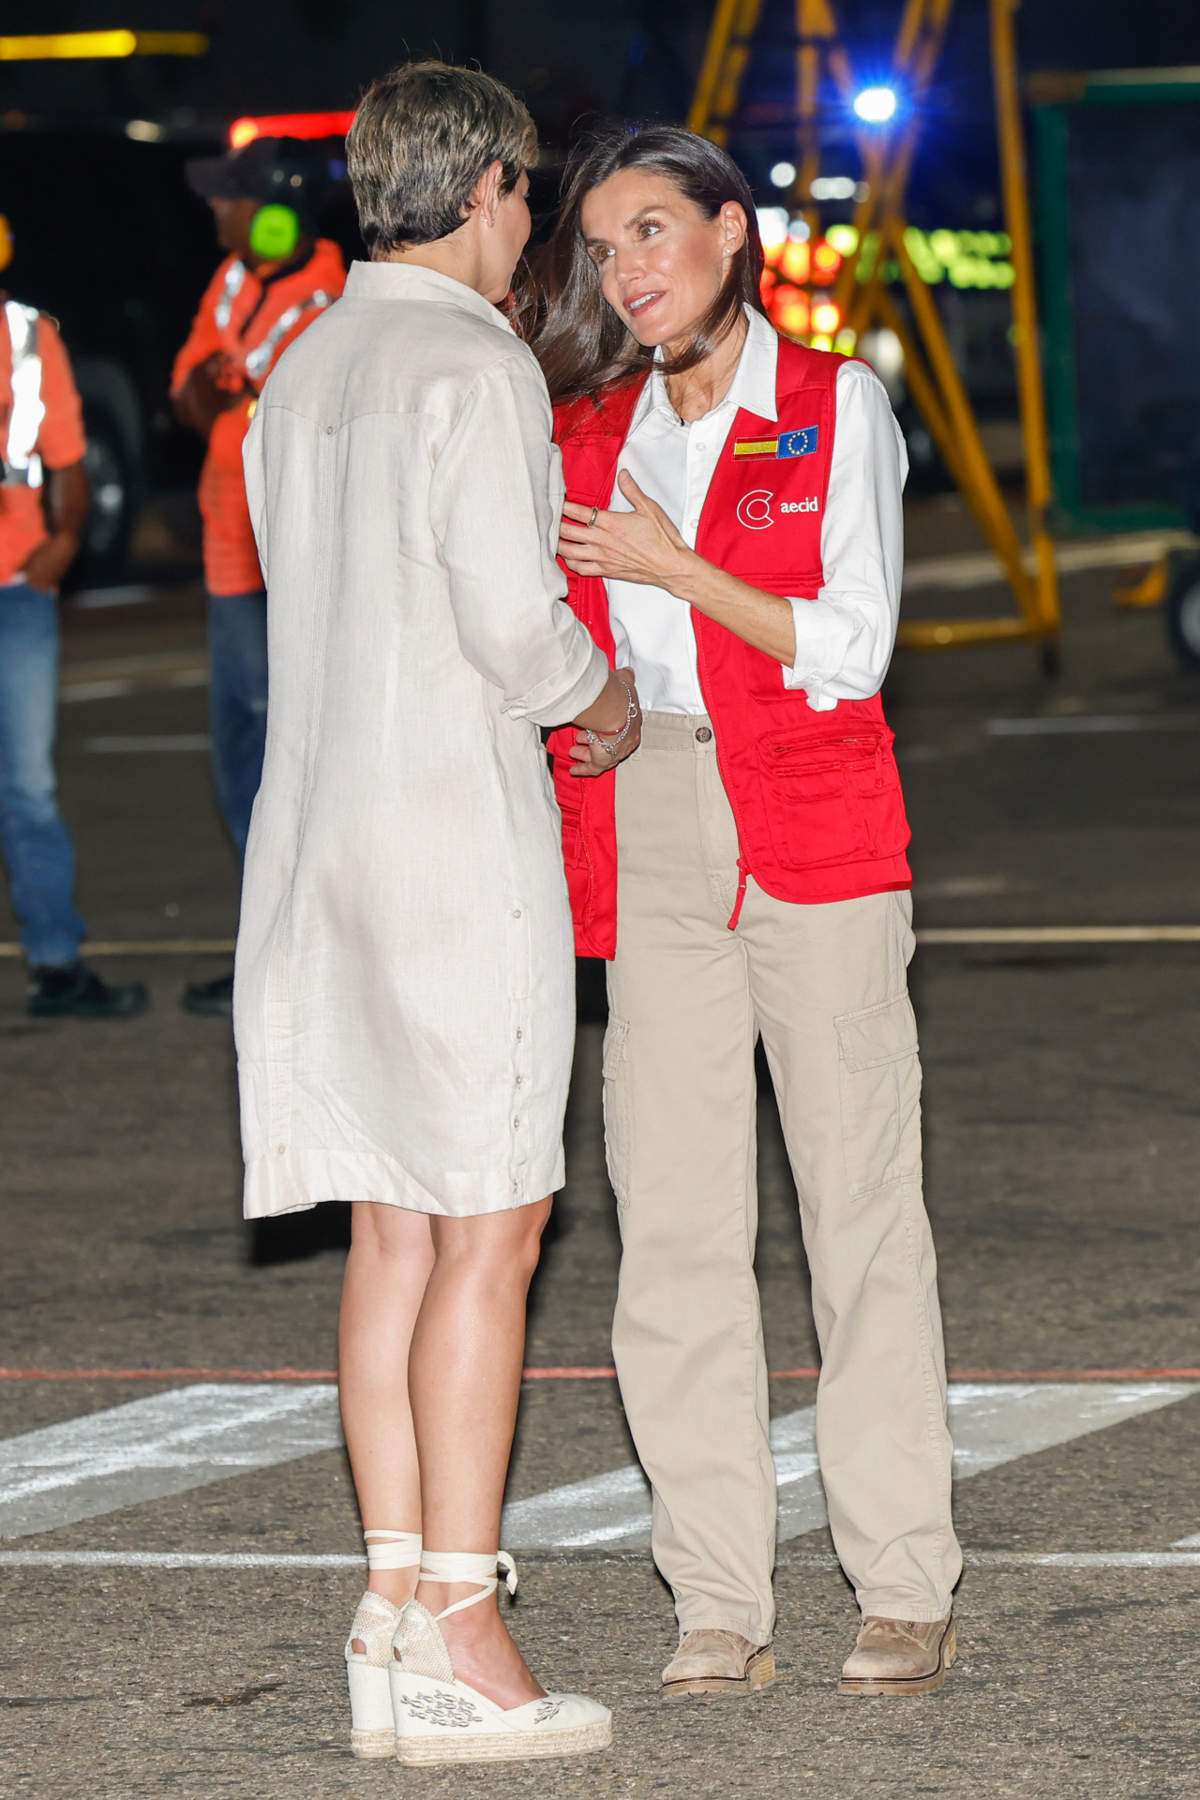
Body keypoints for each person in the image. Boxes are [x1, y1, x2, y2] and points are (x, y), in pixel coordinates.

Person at [235, 63, 639, 1765]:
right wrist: (597, 696)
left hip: (313, 839)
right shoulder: (471, 365)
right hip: (449, 843)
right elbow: (507, 610)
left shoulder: (303, 364)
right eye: (530, 194)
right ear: (485, 187)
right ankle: (467, 1629)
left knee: (393, 1225)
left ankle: (393, 1599)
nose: (535, 226)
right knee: (494, 1223)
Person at [536, 124, 963, 1699]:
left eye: (654, 230)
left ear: (732, 234)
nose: (629, 269)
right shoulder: (588, 431)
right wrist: (581, 711)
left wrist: (674, 560)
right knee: (675, 1227)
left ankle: (902, 1581)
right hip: (653, 816)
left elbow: (850, 642)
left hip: (817, 814)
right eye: (603, 245)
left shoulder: (836, 405)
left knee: (861, 1214)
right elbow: (579, 653)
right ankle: (716, 1598)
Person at [172, 137, 346, 1016]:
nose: (217, 210)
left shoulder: (337, 295)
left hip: (297, 564)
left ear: (274, 209)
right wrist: (219, 390)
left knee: (302, 760)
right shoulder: (234, 282)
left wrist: (225, 388)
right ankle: (268, 948)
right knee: (241, 757)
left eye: (230, 198)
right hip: (229, 553)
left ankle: (315, 956)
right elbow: (189, 394)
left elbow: (257, 400)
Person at [0, 258, 148, 1018]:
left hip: (18, 589)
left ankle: (57, 966)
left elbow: (69, 459)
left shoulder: (29, 337)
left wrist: (63, 542)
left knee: (27, 787)